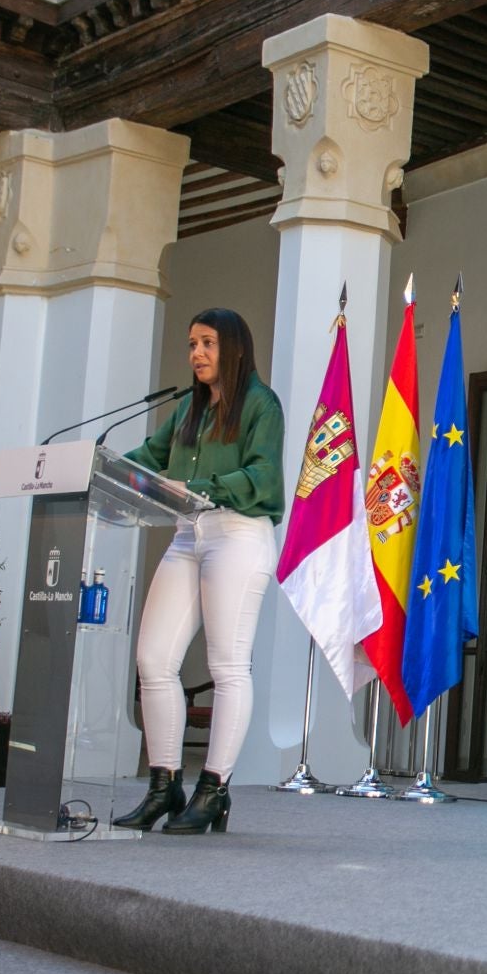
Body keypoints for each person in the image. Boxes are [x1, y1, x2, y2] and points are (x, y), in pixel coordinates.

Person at [112, 308, 284, 835]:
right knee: (153, 658)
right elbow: (148, 456)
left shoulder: (260, 403)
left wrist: (206, 487)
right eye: (191, 344)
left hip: (238, 532)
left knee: (228, 663)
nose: (197, 354)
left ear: (232, 347)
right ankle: (164, 787)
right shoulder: (188, 406)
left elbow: (261, 473)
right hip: (189, 532)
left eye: (207, 343)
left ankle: (214, 789)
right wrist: (108, 468)